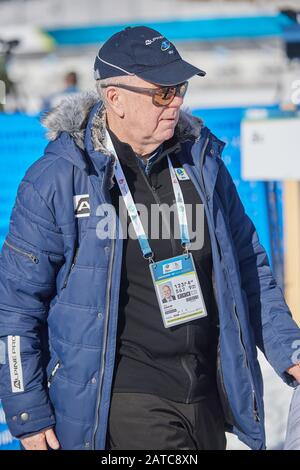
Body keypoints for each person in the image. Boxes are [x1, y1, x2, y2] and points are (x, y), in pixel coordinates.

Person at [0, 25, 300, 451]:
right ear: (114, 97)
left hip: (204, 394)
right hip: (123, 398)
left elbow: (248, 268)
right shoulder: (59, 179)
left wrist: (290, 349)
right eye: (161, 92)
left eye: (179, 88)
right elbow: (14, 305)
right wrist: (26, 409)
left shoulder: (201, 165)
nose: (175, 102)